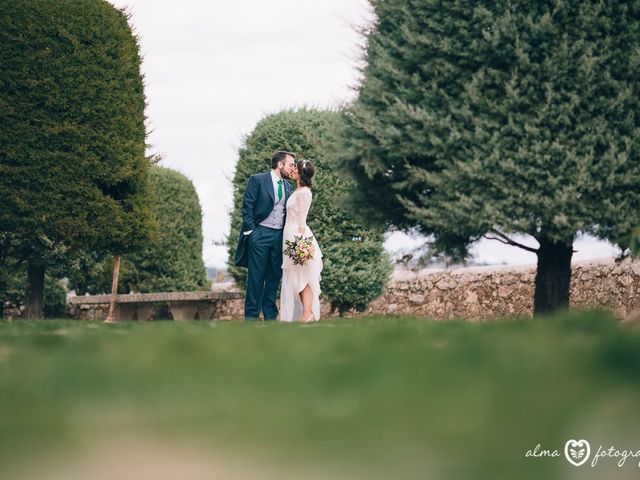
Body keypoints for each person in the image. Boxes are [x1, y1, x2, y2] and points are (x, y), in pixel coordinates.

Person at [235, 150, 295, 320]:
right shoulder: (258, 180)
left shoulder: (288, 186)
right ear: (280, 164)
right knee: (256, 279)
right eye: (290, 165)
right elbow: (247, 206)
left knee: (274, 278)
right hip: (260, 235)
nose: (292, 168)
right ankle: (251, 319)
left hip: (279, 238)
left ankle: (270, 318)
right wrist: (252, 233)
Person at [279, 159, 323, 322]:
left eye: (295, 169)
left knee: (304, 275)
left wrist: (300, 244)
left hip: (297, 235)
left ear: (300, 173)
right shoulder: (297, 189)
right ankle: (306, 313)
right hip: (289, 233)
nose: (292, 170)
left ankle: (307, 313)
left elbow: (302, 220)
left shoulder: (305, 192)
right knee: (297, 275)